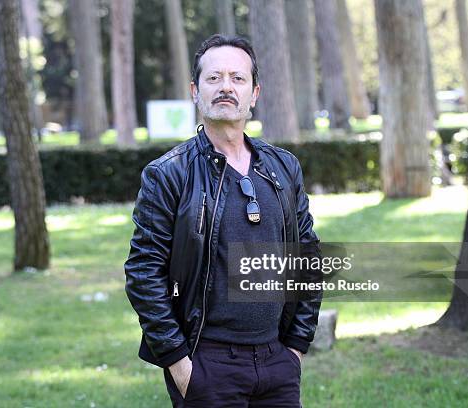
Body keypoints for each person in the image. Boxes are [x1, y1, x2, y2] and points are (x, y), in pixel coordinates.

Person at [124, 34, 323, 407]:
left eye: (237, 78)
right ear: (195, 92)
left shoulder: (284, 167)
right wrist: (180, 366)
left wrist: (296, 346)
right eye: (213, 79)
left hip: (276, 361)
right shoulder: (169, 174)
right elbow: (143, 273)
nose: (225, 87)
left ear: (255, 93)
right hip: (207, 364)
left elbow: (307, 258)